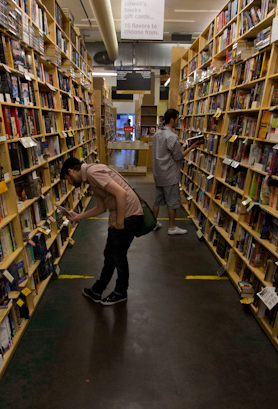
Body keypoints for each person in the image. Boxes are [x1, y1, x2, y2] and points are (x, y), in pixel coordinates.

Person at [60, 157, 143, 306]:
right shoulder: (90, 179)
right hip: (121, 216)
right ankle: (97, 290)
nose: (70, 183)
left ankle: (120, 292)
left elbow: (121, 194)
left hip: (127, 217)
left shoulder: (92, 173)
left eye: (68, 179)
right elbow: (101, 207)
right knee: (110, 255)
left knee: (118, 257)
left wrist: (119, 223)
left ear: (71, 171)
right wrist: (78, 216)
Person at [152, 107, 201, 235]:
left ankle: (153, 223)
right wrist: (190, 148)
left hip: (158, 173)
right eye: (177, 119)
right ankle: (172, 227)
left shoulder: (157, 134)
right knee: (172, 202)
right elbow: (178, 156)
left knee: (157, 200)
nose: (178, 122)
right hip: (169, 174)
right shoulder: (172, 136)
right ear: (172, 120)